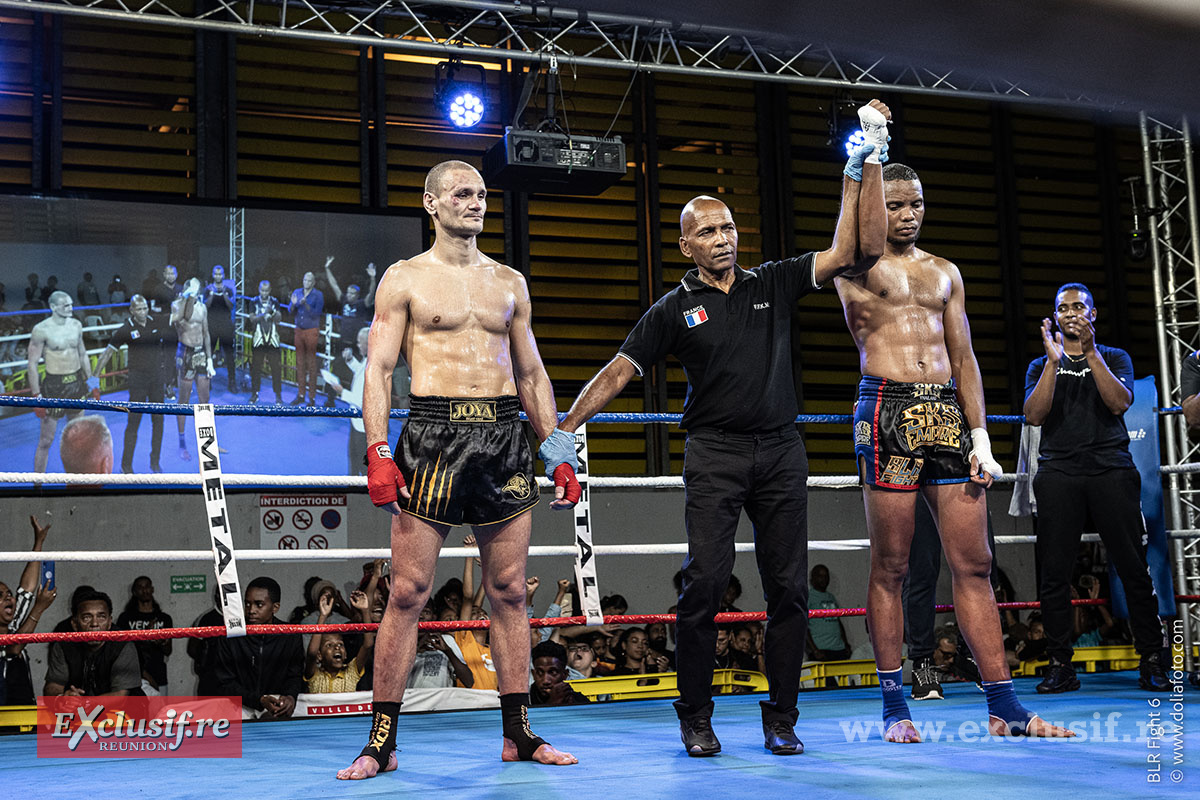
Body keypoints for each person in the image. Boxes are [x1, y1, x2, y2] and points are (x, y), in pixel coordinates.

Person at [545, 102, 893, 758]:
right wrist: (564, 430)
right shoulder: (673, 309)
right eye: (708, 231)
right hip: (714, 453)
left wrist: (860, 164)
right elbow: (620, 370)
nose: (723, 238)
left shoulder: (776, 281)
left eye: (729, 226)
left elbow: (858, 250)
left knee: (790, 587)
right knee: (704, 583)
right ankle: (696, 715)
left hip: (782, 450)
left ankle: (782, 717)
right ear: (686, 245)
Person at [338, 159, 581, 781]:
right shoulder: (405, 278)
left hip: (503, 437)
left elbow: (530, 373)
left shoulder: (509, 282)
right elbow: (378, 369)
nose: (475, 203)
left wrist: (557, 451)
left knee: (507, 593)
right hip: (432, 437)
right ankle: (382, 741)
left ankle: (518, 734)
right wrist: (378, 449)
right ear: (431, 202)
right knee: (407, 592)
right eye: (461, 193)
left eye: (480, 194)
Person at [834, 162, 1071, 742]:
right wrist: (859, 165)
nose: (908, 214)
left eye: (915, 203)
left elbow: (964, 358)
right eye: (894, 205)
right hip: (886, 405)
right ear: (874, 207)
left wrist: (983, 436)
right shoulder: (855, 266)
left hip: (946, 412)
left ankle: (1005, 707)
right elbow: (847, 235)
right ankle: (895, 709)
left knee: (976, 564)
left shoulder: (945, 271)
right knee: (891, 565)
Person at [1022, 283, 1169, 693]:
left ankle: (1152, 659)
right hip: (1059, 473)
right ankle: (1059, 665)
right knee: (1053, 574)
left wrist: (1089, 353)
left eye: (1079, 307)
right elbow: (1033, 416)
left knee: (1133, 568)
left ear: (1093, 314)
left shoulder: (1114, 357)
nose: (1071, 313)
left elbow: (1120, 403)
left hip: (1111, 469)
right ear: (1054, 316)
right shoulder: (1039, 364)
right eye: (1063, 308)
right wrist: (1054, 362)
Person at [92, 295, 166, 472]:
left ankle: (155, 462)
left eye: (145, 308)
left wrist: (189, 296)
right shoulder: (126, 329)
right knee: (134, 422)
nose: (143, 312)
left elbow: (179, 316)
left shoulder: (156, 321)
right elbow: (107, 353)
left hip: (156, 378)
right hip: (138, 380)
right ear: (132, 311)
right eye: (139, 309)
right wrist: (94, 377)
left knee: (159, 421)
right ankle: (126, 465)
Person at [211, 577, 304, 719]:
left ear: (275, 607)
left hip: (276, 710)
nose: (251, 610)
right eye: (247, 604)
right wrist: (259, 699)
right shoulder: (231, 635)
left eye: (259, 604)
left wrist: (290, 697)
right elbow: (224, 682)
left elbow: (294, 675)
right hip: (238, 709)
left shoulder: (290, 635)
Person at [27, 291, 98, 473]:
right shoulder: (41, 329)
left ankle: (75, 481)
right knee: (46, 440)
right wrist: (36, 396)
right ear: (53, 307)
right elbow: (32, 364)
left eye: (71, 304)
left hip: (76, 383)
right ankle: (38, 485)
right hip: (54, 387)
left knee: (76, 437)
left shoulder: (76, 325)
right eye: (66, 305)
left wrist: (92, 381)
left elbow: (82, 354)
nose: (71, 308)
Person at [1, 515, 56, 705]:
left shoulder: (14, 623)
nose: (8, 597)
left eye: (8, 594)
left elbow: (27, 589)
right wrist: (39, 608)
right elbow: (13, 649)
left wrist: (38, 543)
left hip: (21, 709)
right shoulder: (14, 632)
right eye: (0, 596)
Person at [43, 590, 141, 696]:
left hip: (120, 709)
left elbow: (120, 696)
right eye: (87, 617)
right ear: (75, 624)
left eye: (101, 617)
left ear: (109, 623)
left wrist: (84, 703)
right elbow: (53, 687)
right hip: (77, 709)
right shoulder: (64, 644)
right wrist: (63, 698)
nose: (94, 624)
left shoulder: (122, 644)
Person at [324, 256, 378, 407]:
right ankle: (330, 399)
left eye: (352, 293)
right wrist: (327, 268)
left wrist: (373, 278)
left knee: (358, 373)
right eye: (348, 292)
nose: (349, 295)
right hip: (342, 343)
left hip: (357, 346)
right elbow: (334, 285)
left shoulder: (361, 304)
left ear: (357, 295)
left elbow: (371, 295)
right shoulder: (344, 301)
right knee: (336, 371)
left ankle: (357, 401)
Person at [171, 278, 214, 461]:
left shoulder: (202, 307)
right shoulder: (177, 305)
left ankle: (208, 443)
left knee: (205, 398)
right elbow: (184, 317)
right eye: (194, 288)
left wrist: (210, 358)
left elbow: (206, 333)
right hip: (186, 353)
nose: (197, 291)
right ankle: (182, 444)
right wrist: (188, 297)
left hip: (201, 354)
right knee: (184, 400)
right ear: (188, 289)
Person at [305, 590, 376, 693]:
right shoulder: (315, 675)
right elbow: (312, 653)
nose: (337, 648)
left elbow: (368, 644)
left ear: (346, 654)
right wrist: (323, 616)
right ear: (319, 655)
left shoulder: (351, 672)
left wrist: (365, 610)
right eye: (329, 645)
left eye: (340, 644)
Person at [323, 326, 371, 475]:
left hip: (363, 425)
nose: (357, 345)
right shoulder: (367, 362)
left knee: (362, 464)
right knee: (353, 459)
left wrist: (341, 391)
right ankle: (354, 491)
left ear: (368, 344)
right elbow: (360, 371)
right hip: (356, 421)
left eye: (359, 342)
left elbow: (363, 401)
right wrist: (350, 360)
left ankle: (364, 495)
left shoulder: (373, 367)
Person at [116, 576, 173, 694]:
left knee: (160, 712)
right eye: (140, 587)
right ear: (134, 592)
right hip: (132, 675)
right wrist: (144, 635)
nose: (144, 590)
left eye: (147, 586)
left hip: (158, 674)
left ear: (152, 589)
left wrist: (161, 641)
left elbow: (168, 650)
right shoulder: (125, 618)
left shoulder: (164, 618)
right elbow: (120, 649)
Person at [146, 265, 182, 399]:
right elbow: (153, 308)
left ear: (176, 274)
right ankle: (168, 386)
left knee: (181, 357)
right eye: (168, 273)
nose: (170, 276)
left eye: (173, 273)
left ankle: (180, 383)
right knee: (168, 358)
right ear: (164, 274)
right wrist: (167, 314)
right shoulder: (158, 289)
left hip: (181, 328)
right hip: (166, 328)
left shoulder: (181, 288)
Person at [289, 271, 324, 406]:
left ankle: (312, 397)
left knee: (311, 364)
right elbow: (290, 310)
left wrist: (305, 304)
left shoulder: (318, 295)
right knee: (300, 363)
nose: (306, 283)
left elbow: (317, 314)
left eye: (309, 280)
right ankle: (301, 394)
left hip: (311, 331)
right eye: (305, 280)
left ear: (313, 282)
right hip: (299, 330)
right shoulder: (297, 292)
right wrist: (295, 304)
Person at [204, 265, 239, 393]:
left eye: (220, 274)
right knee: (209, 355)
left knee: (230, 356)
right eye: (216, 274)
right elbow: (206, 306)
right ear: (213, 275)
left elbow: (231, 306)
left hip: (226, 326)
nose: (218, 276)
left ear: (223, 275)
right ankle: (207, 382)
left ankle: (232, 382)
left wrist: (223, 293)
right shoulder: (207, 289)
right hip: (212, 326)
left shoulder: (229, 289)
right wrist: (212, 294)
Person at [248, 279, 283, 404]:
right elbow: (252, 318)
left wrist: (272, 311)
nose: (264, 293)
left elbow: (278, 318)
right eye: (262, 290)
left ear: (270, 290)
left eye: (266, 290)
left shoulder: (274, 301)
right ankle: (254, 394)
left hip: (273, 339)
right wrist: (263, 314)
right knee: (256, 368)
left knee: (276, 368)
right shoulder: (253, 301)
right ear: (259, 290)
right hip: (258, 339)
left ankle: (278, 395)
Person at [806, 565, 851, 663]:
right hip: (821, 649)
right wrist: (814, 650)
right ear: (812, 578)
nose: (824, 579)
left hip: (838, 648)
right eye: (820, 576)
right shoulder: (808, 597)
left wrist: (845, 643)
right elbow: (803, 626)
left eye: (826, 576)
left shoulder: (831, 597)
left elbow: (837, 622)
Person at [530, 641, 591, 706]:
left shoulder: (578, 700)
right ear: (533, 674)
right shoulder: (524, 699)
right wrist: (553, 703)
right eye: (540, 673)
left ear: (565, 674)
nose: (546, 681)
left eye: (553, 672)